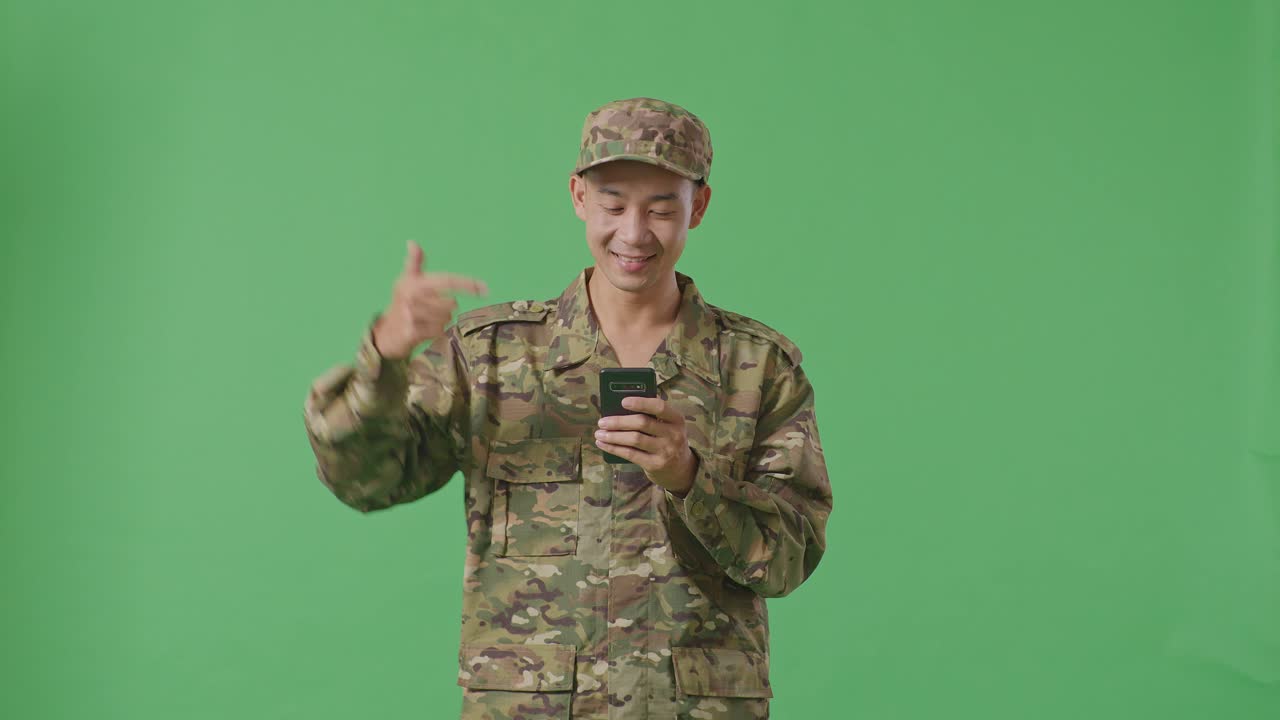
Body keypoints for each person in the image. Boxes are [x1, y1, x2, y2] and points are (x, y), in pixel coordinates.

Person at [303, 96, 833, 720]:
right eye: (613, 205)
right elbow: (364, 479)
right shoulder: (491, 357)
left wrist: (688, 479)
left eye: (662, 209)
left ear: (700, 206)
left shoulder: (757, 367)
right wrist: (385, 358)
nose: (633, 234)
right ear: (579, 197)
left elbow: (790, 555)